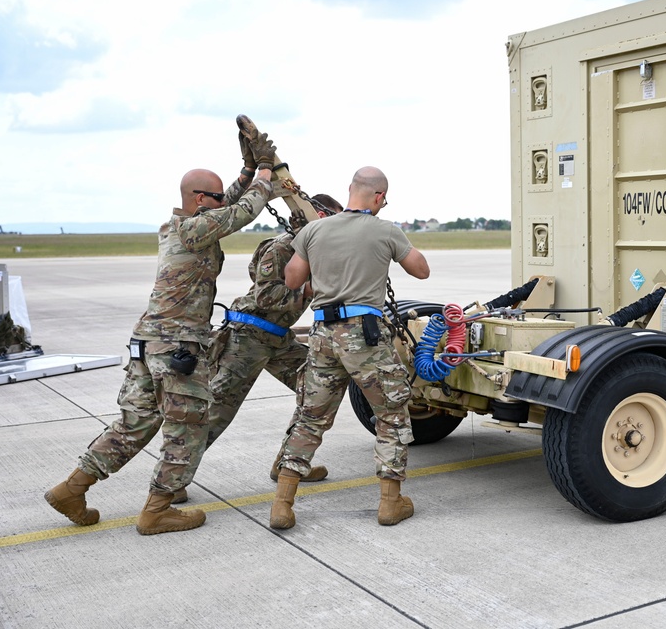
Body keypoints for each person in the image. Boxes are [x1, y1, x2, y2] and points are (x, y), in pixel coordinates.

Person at [45, 129, 283, 535]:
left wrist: (244, 172)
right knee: (187, 425)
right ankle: (157, 510)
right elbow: (238, 213)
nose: (223, 200)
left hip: (148, 343)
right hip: (176, 347)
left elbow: (225, 202)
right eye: (216, 197)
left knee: (134, 424)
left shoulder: (178, 226)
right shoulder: (195, 229)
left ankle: (72, 488)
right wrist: (263, 174)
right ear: (199, 200)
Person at [270, 166, 430, 529]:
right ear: (378, 198)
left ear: (349, 190)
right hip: (365, 337)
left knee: (311, 417)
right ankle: (390, 503)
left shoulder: (315, 229)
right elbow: (421, 271)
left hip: (323, 334)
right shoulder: (385, 230)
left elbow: (292, 278)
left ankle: (282, 504)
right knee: (390, 414)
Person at [171, 194, 344, 505]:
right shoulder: (283, 247)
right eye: (336, 219)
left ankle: (288, 463)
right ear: (318, 214)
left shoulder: (315, 250)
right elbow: (265, 296)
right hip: (247, 336)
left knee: (317, 391)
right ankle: (171, 483)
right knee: (216, 413)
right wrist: (310, 288)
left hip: (278, 339)